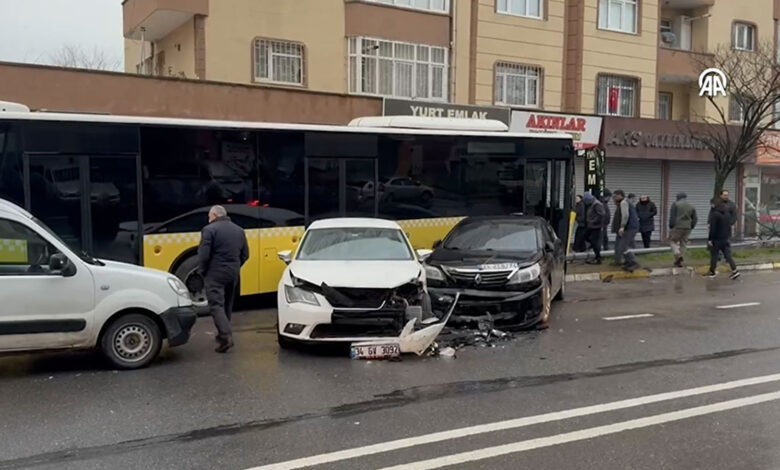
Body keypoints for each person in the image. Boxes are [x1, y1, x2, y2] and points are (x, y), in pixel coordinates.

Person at [198, 205, 249, 353]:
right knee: (227, 304)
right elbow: (246, 254)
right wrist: (236, 266)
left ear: (214, 215)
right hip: (233, 273)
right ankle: (222, 333)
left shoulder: (209, 230)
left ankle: (226, 337)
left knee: (216, 306)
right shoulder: (238, 230)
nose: (208, 219)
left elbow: (204, 255)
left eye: (209, 216)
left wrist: (203, 271)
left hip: (215, 273)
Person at [707, 199, 740, 280]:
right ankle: (735, 270)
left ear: (714, 205)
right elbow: (729, 226)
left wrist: (710, 239)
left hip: (717, 239)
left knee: (714, 255)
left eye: (712, 204)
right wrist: (728, 236)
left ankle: (712, 272)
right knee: (728, 255)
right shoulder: (727, 214)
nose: (711, 206)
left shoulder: (715, 214)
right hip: (725, 238)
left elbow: (713, 228)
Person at [611, 189, 640, 271]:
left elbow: (625, 215)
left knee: (623, 245)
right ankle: (623, 261)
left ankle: (633, 262)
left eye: (615, 196)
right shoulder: (622, 203)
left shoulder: (623, 203)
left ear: (620, 195)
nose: (614, 198)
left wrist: (622, 227)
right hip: (629, 227)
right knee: (619, 245)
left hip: (629, 228)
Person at [669, 192, 697, 268]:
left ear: (678, 197)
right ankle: (679, 261)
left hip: (677, 227)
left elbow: (672, 216)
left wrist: (671, 226)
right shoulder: (691, 206)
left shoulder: (675, 204)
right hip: (687, 227)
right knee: (683, 243)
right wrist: (691, 226)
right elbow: (695, 218)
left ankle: (677, 254)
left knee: (672, 241)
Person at [583, 193, 605, 264]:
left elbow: (601, 215)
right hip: (591, 226)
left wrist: (593, 221)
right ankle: (593, 246)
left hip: (596, 226)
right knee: (585, 236)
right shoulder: (592, 204)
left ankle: (598, 258)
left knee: (595, 242)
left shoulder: (597, 204)